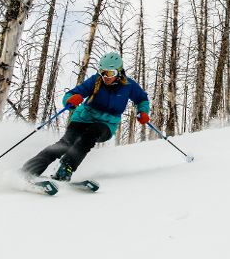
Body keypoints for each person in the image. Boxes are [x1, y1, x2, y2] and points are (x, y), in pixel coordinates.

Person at [22, 51, 150, 181]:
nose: (106, 76)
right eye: (103, 72)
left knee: (89, 136)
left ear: (119, 72)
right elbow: (72, 94)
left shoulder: (129, 86)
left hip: (106, 124)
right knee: (66, 143)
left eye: (110, 73)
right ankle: (29, 170)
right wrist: (70, 100)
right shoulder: (95, 80)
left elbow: (142, 99)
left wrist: (143, 112)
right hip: (83, 118)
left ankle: (66, 168)